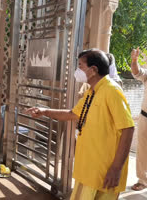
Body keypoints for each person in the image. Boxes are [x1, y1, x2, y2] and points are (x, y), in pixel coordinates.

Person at [26, 49, 134, 200]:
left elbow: (128, 128)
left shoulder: (111, 91)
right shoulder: (92, 92)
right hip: (89, 168)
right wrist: (45, 111)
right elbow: (72, 114)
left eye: (81, 66)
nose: (78, 70)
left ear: (93, 70)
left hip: (105, 171)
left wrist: (116, 168)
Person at [130, 47, 147, 191]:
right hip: (145, 117)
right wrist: (134, 61)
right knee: (142, 150)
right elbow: (137, 72)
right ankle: (143, 180)